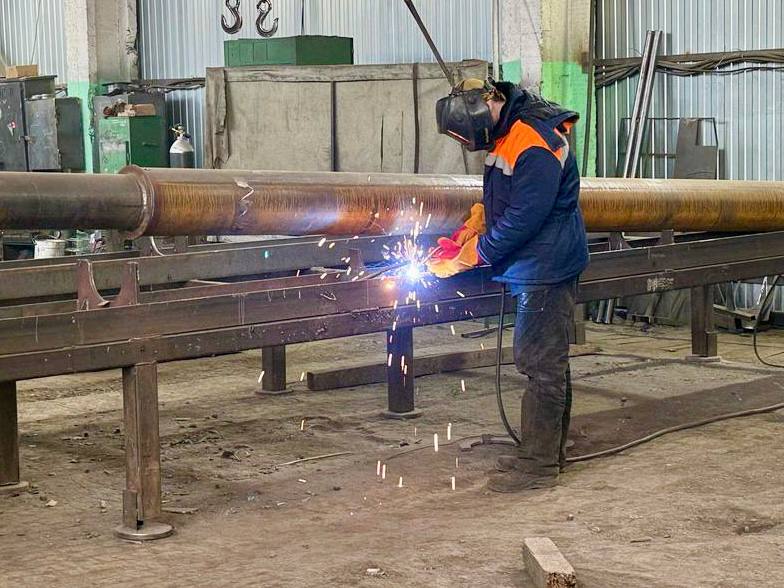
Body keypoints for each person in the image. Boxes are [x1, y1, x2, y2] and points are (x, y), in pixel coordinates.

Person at [427, 78, 589, 492]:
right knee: (548, 363)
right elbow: (508, 198)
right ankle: (548, 452)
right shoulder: (508, 133)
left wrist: (477, 253)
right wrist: (478, 222)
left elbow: (524, 217)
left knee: (540, 365)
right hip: (534, 263)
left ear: (491, 103)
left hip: (545, 267)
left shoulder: (532, 140)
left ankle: (537, 466)